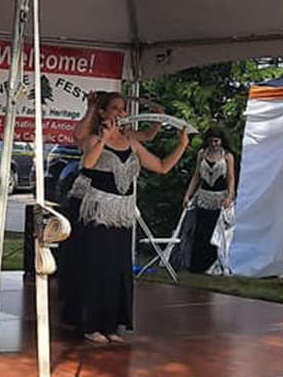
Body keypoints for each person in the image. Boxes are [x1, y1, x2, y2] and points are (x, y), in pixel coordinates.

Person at [64, 92, 189, 344]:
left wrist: (183, 144)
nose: (121, 113)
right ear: (103, 112)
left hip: (122, 216)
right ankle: (90, 324)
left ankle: (111, 325)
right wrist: (104, 137)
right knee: (95, 269)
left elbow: (162, 166)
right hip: (97, 213)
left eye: (123, 109)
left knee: (117, 270)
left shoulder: (131, 142)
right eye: (116, 108)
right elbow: (87, 164)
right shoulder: (93, 138)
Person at [182, 126, 235, 273]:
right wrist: (188, 195)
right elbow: (196, 176)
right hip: (204, 197)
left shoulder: (227, 156)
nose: (214, 144)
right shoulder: (202, 154)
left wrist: (230, 196)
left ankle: (215, 264)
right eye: (211, 141)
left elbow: (231, 177)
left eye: (217, 141)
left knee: (217, 232)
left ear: (222, 141)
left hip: (220, 198)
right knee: (201, 231)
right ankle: (198, 266)